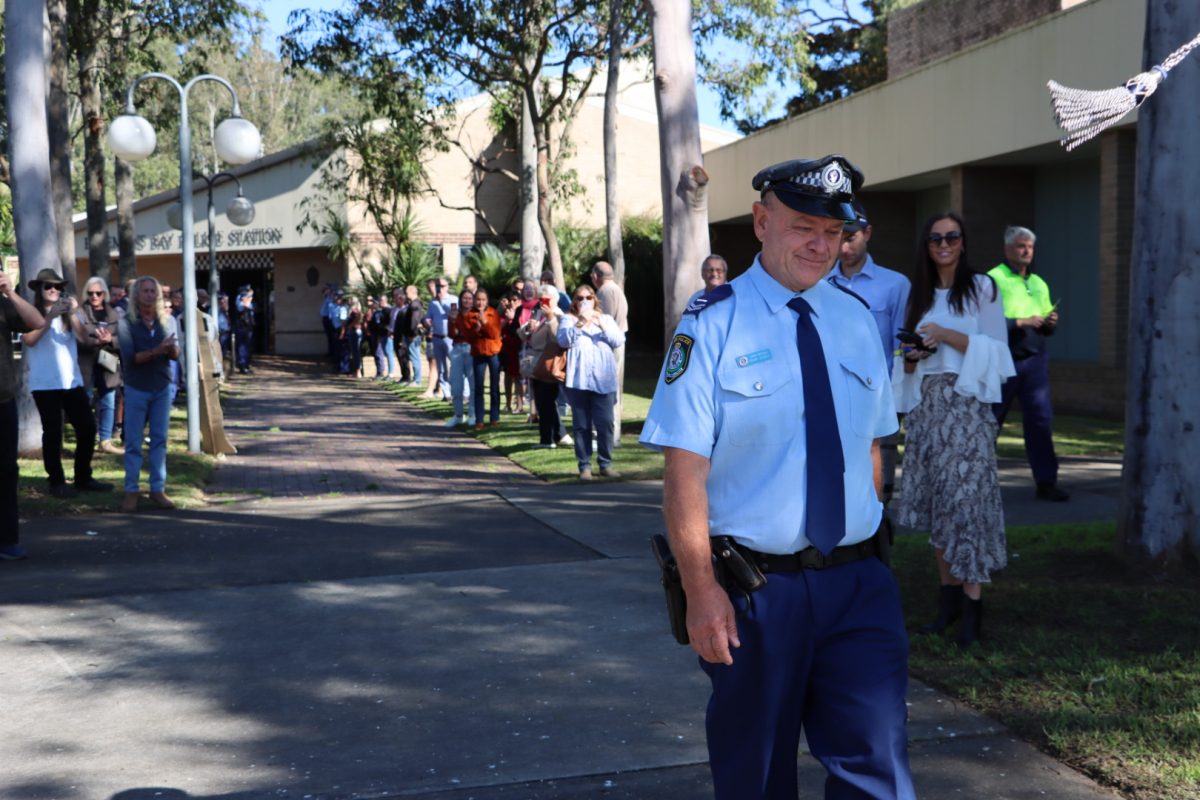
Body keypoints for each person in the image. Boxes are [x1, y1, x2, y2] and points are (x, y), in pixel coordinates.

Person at [640, 156, 913, 799]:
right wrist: (703, 591)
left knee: (879, 766)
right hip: (758, 593)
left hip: (859, 583)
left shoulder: (854, 318)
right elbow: (684, 473)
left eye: (834, 231)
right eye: (802, 227)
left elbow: (870, 447)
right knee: (757, 776)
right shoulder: (712, 323)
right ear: (762, 222)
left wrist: (869, 539)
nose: (821, 246)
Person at [892, 211, 1015, 648]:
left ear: (963, 242)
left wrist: (946, 335)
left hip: (966, 408)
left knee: (967, 505)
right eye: (935, 238)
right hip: (928, 407)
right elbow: (904, 361)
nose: (943, 244)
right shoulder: (918, 295)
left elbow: (999, 355)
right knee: (940, 504)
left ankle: (973, 608)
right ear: (926, 246)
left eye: (951, 237)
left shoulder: (982, 288)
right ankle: (947, 605)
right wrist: (912, 356)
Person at [829, 201, 911, 503]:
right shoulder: (820, 284)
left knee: (879, 481)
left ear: (868, 233)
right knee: (837, 476)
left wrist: (897, 396)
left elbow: (900, 345)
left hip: (878, 396)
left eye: (850, 237)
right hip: (833, 395)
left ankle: (877, 536)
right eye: (838, 236)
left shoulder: (895, 284)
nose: (844, 245)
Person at [988, 226, 1069, 502]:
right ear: (1007, 249)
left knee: (1040, 420)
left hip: (1034, 359)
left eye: (1030, 247)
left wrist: (1050, 323)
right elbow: (985, 322)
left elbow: (1046, 324)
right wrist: (1020, 322)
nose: (1026, 251)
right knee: (990, 421)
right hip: (1004, 358)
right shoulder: (992, 279)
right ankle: (980, 482)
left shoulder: (1038, 283)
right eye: (1021, 246)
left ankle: (1046, 483)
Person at [21, 269, 112, 499]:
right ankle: (57, 481)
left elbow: (83, 338)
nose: (53, 290)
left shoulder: (70, 314)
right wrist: (49, 317)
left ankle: (83, 477)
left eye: (58, 287)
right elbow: (29, 340)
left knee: (87, 428)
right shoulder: (32, 313)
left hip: (71, 381)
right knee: (52, 433)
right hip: (45, 383)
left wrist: (71, 314)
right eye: (48, 287)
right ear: (39, 290)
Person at [118, 276, 181, 512]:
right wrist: (158, 350)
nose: (149, 295)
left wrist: (172, 349)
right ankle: (131, 491)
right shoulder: (126, 323)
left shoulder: (169, 321)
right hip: (136, 387)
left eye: (153, 291)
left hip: (162, 386)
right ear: (136, 295)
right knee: (133, 442)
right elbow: (131, 359)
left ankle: (157, 489)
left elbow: (175, 355)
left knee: (159, 440)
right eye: (145, 291)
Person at [557, 284, 624, 480]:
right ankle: (584, 466)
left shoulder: (606, 319)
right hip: (579, 381)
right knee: (582, 425)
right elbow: (563, 341)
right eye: (579, 298)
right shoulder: (568, 320)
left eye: (588, 297)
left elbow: (618, 340)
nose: (584, 301)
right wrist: (580, 324)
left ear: (595, 299)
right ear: (574, 302)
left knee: (605, 423)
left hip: (604, 380)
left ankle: (606, 464)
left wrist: (600, 324)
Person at [0, 269, 43, 560]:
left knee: (5, 472)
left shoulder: (3, 304)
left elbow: (37, 322)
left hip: (3, 400)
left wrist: (10, 293)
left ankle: (7, 540)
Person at [76, 276, 125, 455]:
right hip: (86, 363)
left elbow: (124, 340)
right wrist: (94, 341)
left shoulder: (115, 314)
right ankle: (86, 437)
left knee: (109, 400)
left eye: (98, 293)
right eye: (90, 293)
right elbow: (76, 337)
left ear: (104, 294)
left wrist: (109, 339)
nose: (94, 296)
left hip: (108, 362)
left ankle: (105, 440)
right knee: (84, 400)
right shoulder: (79, 313)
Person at [518, 284, 569, 448]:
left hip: (548, 364)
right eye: (540, 298)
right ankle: (557, 435)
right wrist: (528, 328)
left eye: (546, 298)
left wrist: (550, 319)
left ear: (555, 299)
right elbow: (520, 334)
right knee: (543, 402)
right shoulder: (538, 312)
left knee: (546, 401)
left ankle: (547, 439)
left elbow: (558, 339)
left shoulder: (559, 315)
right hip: (535, 364)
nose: (542, 302)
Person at [590, 261, 628, 445]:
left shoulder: (605, 292)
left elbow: (605, 322)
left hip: (611, 344)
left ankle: (608, 435)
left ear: (595, 276)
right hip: (617, 342)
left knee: (607, 390)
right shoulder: (615, 289)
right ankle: (612, 435)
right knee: (612, 390)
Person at [466, 288, 502, 430]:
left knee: (494, 386)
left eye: (483, 300)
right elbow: (468, 337)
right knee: (479, 387)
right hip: (478, 353)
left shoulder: (493, 313)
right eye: (478, 299)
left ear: (487, 301)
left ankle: (494, 417)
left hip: (493, 352)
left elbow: (495, 334)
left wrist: (485, 323)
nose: (480, 302)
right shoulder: (469, 315)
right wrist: (477, 327)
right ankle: (479, 419)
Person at [445, 289, 477, 427]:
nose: (467, 301)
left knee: (473, 384)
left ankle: (472, 414)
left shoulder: (476, 314)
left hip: (472, 349)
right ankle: (458, 415)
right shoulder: (455, 315)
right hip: (457, 349)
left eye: (470, 298)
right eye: (465, 298)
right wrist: (452, 321)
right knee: (456, 384)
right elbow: (452, 334)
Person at [424, 278, 453, 399]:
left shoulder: (453, 300)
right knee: (441, 368)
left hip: (450, 338)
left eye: (441, 286)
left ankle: (458, 391)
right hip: (437, 337)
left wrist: (442, 302)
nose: (439, 288)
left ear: (447, 286)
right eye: (437, 286)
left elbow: (454, 315)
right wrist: (426, 321)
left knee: (455, 365)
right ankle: (446, 394)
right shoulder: (432, 303)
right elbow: (428, 317)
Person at [234, 285, 256, 374]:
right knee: (242, 347)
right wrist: (247, 298)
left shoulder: (244, 298)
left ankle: (246, 365)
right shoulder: (240, 299)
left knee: (247, 347)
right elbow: (244, 307)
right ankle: (242, 366)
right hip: (242, 327)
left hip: (248, 327)